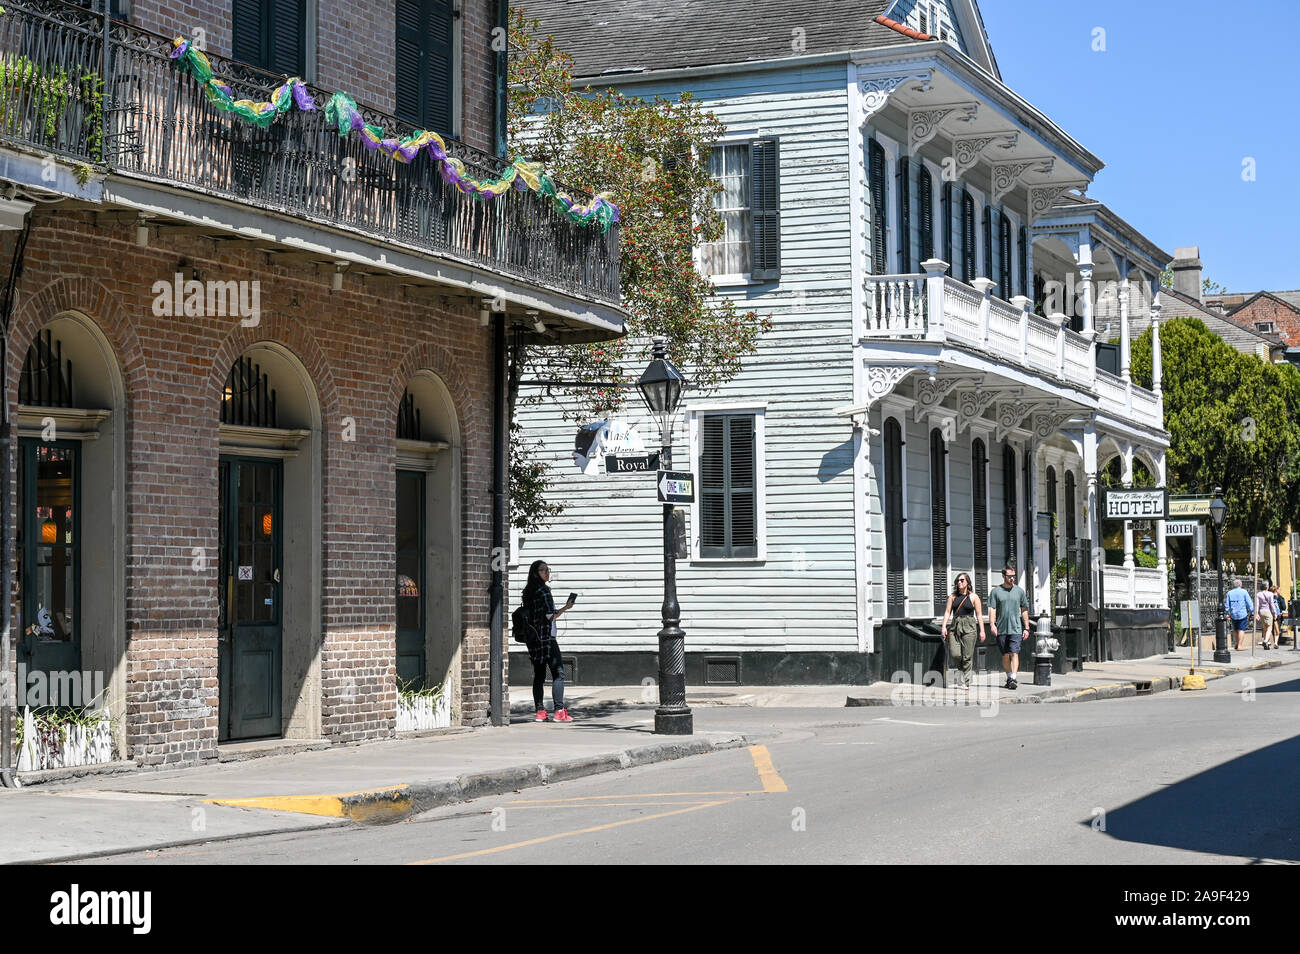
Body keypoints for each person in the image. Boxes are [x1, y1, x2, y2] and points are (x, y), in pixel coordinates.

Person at [522, 560, 575, 722]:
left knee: (538, 675)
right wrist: (566, 608)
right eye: (543, 570)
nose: (547, 572)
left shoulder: (528, 592)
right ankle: (559, 711)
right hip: (547, 638)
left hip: (533, 639)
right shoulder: (544, 591)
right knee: (558, 673)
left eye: (547, 569)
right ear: (535, 573)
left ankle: (540, 712)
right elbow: (550, 616)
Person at [940, 573, 987, 690]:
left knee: (967, 656)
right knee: (955, 654)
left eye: (961, 580)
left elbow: (979, 615)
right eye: (957, 580)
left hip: (969, 626)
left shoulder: (974, 597)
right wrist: (944, 626)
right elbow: (947, 612)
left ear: (968, 582)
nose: (959, 582)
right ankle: (961, 671)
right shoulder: (952, 597)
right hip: (955, 626)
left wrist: (982, 631)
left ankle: (966, 681)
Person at [987, 565, 1030, 691]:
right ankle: (1009, 677)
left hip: (1016, 627)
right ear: (1003, 576)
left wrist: (1026, 627)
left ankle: (1013, 677)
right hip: (1001, 628)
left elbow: (1024, 610)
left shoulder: (1019, 591)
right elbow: (992, 609)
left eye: (1014, 576)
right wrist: (992, 624)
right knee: (1005, 654)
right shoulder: (996, 592)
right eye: (1010, 576)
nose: (1012, 579)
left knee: (1014, 652)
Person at [1223, 578, 1252, 651]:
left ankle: (1236, 643)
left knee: (1235, 629)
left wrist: (1227, 613)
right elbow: (1249, 603)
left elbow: (1227, 604)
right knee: (1241, 629)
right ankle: (1240, 645)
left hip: (1233, 614)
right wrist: (1253, 611)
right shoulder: (1244, 592)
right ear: (1240, 584)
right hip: (1242, 613)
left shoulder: (1229, 593)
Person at [1256, 581, 1275, 650]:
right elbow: (1272, 604)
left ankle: (1266, 645)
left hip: (1261, 612)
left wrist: (1256, 613)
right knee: (1269, 628)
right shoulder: (1270, 594)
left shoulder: (1258, 594)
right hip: (1268, 612)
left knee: (1264, 628)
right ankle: (1265, 641)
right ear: (1267, 586)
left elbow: (1257, 604)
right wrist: (1275, 612)